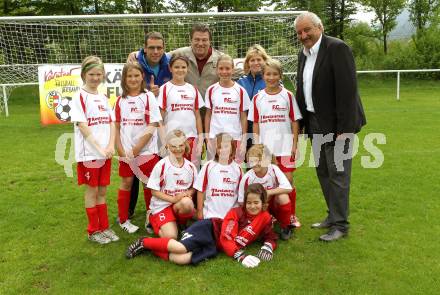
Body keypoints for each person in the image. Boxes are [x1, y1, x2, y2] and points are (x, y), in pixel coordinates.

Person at [294, 12, 366, 241]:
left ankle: (341, 226)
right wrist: (304, 123)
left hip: (337, 125)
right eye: (299, 32)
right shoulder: (303, 55)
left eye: (307, 30)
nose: (304, 35)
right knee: (323, 172)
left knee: (338, 174)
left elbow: (348, 92)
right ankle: (332, 216)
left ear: (320, 27)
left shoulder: (337, 48)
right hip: (315, 122)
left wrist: (344, 129)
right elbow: (303, 90)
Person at [126, 183, 277, 268]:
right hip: (208, 229)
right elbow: (226, 238)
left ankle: (151, 247)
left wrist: (268, 246)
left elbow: (270, 234)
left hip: (215, 246)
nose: (252, 206)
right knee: (180, 248)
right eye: (249, 202)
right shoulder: (236, 213)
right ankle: (144, 241)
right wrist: (240, 255)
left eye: (256, 203)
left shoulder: (265, 218)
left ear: (263, 204)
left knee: (182, 260)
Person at [248, 59, 302, 228]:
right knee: (267, 182)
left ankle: (291, 215)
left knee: (288, 180)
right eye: (268, 74)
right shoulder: (257, 98)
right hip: (266, 150)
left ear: (280, 76)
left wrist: (295, 145)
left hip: (285, 147)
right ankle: (268, 216)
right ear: (263, 75)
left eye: (274, 74)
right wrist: (256, 146)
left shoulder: (287, 95)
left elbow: (294, 121)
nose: (271, 77)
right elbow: (255, 123)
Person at [70, 55, 119, 244]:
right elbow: (83, 126)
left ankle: (104, 227)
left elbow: (112, 123)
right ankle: (93, 231)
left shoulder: (103, 97)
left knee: (102, 192)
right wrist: (99, 148)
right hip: (90, 155)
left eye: (99, 74)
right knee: (92, 192)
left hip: (105, 153)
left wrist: (110, 146)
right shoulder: (79, 97)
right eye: (92, 74)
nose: (95, 78)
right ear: (84, 74)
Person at [127, 32, 171, 220]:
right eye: (151, 47)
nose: (155, 51)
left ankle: (157, 207)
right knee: (131, 169)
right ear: (144, 48)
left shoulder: (168, 63)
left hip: (161, 122)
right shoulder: (135, 63)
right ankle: (127, 212)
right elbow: (127, 85)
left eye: (159, 47)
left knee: (155, 167)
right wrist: (146, 91)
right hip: (136, 124)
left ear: (164, 49)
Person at [113, 62, 162, 234]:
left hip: (146, 151)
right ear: (124, 79)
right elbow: (116, 128)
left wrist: (136, 149)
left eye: (136, 75)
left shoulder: (148, 97)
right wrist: (120, 150)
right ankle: (123, 219)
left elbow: (153, 124)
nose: (133, 79)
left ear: (142, 76)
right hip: (126, 153)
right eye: (129, 76)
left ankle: (151, 217)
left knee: (149, 184)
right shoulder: (120, 101)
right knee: (126, 183)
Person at [146, 130, 197, 240]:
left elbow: (194, 187)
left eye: (181, 145)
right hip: (162, 206)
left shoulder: (191, 167)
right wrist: (173, 199)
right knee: (171, 237)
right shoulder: (161, 165)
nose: (178, 149)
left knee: (187, 203)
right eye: (173, 146)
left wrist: (188, 193)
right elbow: (153, 191)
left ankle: (180, 224)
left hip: (179, 205)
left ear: (185, 145)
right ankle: (152, 218)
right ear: (167, 146)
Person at [238, 144, 295, 240]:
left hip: (273, 204)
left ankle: (285, 226)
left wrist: (268, 192)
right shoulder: (247, 178)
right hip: (258, 207)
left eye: (258, 160)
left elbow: (288, 188)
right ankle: (266, 225)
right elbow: (241, 201)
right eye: (252, 161)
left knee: (283, 196)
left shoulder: (273, 169)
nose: (254, 164)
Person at [157, 55, 204, 167]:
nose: (180, 70)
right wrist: (164, 142)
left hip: (191, 139)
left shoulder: (192, 89)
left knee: (192, 173)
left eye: (183, 67)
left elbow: (197, 116)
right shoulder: (164, 89)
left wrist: (201, 139)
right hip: (172, 140)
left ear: (187, 69)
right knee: (173, 174)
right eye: (176, 67)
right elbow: (160, 119)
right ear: (170, 68)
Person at [204, 55, 250, 162]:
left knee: (234, 171)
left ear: (233, 70)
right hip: (214, 137)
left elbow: (243, 117)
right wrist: (207, 137)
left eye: (228, 68)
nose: (224, 71)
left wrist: (243, 139)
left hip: (235, 137)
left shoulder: (240, 91)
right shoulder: (211, 90)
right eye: (221, 68)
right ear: (216, 70)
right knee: (214, 170)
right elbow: (208, 115)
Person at [194, 133, 242, 220]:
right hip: (210, 215)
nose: (223, 150)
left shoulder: (237, 169)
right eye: (220, 147)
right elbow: (200, 190)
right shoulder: (209, 166)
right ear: (215, 149)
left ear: (232, 147)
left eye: (226, 146)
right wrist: (200, 212)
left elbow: (242, 194)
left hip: (231, 217)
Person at [237, 45, 270, 150]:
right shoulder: (240, 82)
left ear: (265, 61)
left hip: (266, 128)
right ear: (247, 63)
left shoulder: (271, 80)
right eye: (252, 60)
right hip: (246, 127)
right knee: (250, 161)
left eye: (259, 59)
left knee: (268, 161)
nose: (256, 63)